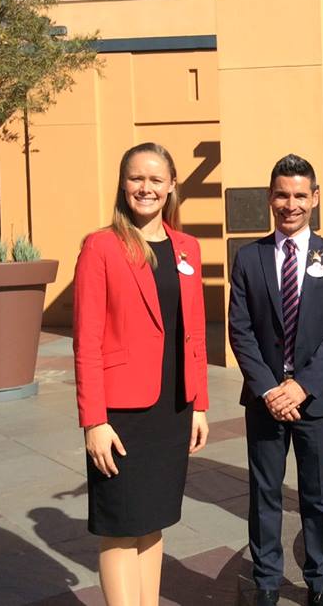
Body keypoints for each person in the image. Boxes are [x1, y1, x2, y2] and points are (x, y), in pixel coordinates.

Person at [73, 142, 209, 606]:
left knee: (153, 522)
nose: (145, 187)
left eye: (155, 179)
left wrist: (200, 404)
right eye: (136, 177)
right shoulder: (101, 246)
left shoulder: (187, 247)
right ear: (122, 183)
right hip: (121, 413)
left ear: (172, 185)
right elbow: (86, 341)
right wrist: (94, 420)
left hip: (173, 409)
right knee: (119, 528)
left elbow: (193, 334)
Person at [229, 154, 323, 606]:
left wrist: (301, 386)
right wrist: (269, 389)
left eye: (300, 195)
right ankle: (266, 582)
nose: (291, 204)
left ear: (315, 198)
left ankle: (321, 585)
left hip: (315, 398)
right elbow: (240, 330)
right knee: (264, 492)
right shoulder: (249, 258)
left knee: (317, 495)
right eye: (282, 194)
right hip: (264, 398)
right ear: (270, 197)